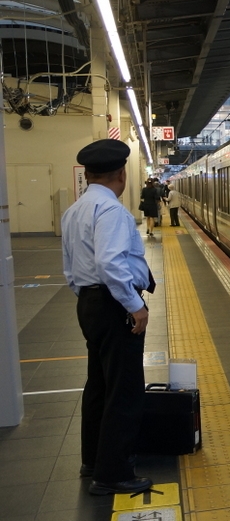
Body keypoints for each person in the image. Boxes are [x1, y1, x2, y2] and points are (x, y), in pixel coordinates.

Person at [61, 138, 155, 495]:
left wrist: (89, 299)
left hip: (90, 303)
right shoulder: (111, 211)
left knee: (98, 385)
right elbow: (109, 263)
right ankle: (113, 473)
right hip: (113, 305)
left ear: (87, 175)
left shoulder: (75, 211)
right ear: (121, 174)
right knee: (124, 389)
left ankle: (93, 461)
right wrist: (134, 305)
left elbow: (70, 267)